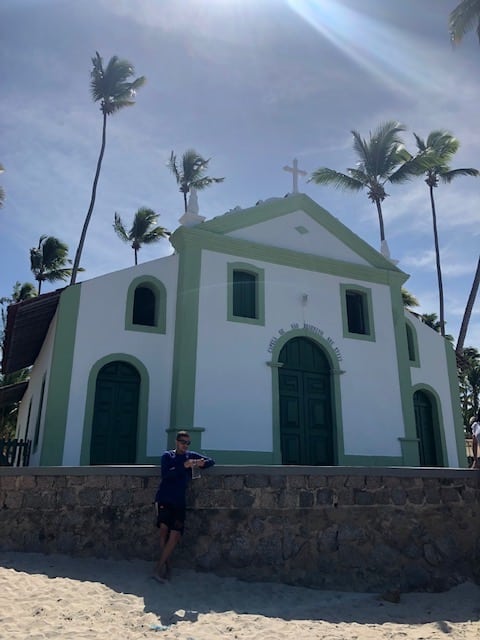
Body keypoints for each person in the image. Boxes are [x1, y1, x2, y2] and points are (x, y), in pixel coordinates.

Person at [153, 430, 215, 582]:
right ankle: (165, 567)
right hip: (165, 498)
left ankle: (159, 567)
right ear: (176, 441)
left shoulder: (190, 455)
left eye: (188, 443)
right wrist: (184, 466)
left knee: (175, 535)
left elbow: (211, 461)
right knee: (163, 532)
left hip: (179, 501)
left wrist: (200, 463)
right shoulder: (168, 456)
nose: (185, 445)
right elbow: (167, 474)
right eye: (183, 442)